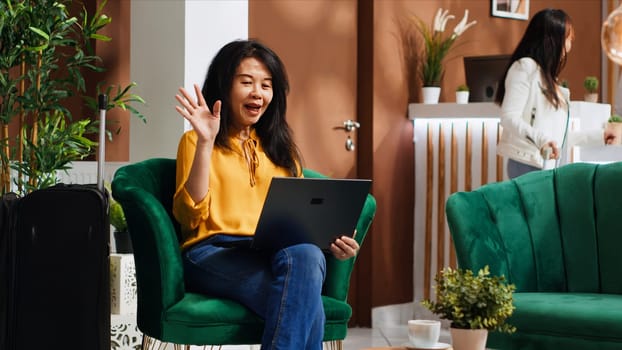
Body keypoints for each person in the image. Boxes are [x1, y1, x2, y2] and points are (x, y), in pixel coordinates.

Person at [172, 39, 360, 350]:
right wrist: (206, 143)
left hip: (271, 255)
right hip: (213, 253)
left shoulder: (283, 151)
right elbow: (188, 216)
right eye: (246, 82)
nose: (258, 92)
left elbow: (303, 225)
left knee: (309, 255)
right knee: (303, 303)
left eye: (266, 85)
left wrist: (333, 241)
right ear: (224, 85)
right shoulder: (196, 141)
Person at [495, 8, 618, 179]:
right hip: (527, 163)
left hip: (547, 165)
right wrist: (542, 140)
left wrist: (600, 137)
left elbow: (560, 138)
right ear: (553, 38)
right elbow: (509, 117)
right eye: (568, 37)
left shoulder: (550, 81)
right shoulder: (525, 67)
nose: (569, 45)